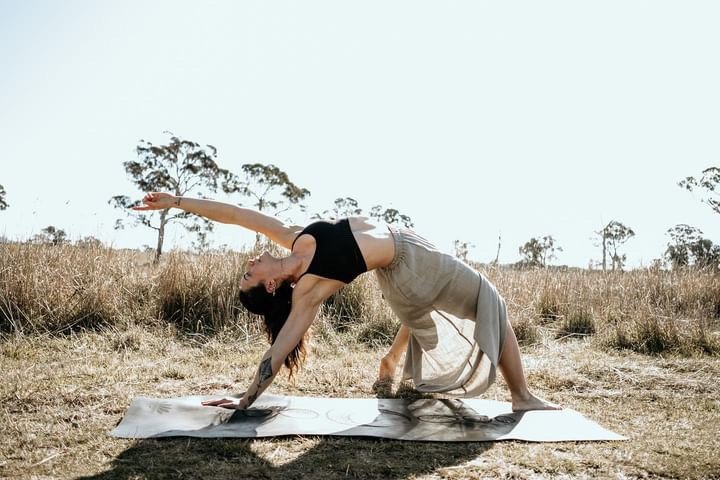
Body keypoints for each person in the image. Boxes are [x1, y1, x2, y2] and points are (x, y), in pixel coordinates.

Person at [133, 192, 558, 412]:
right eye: (249, 274)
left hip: (407, 255)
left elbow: (238, 214)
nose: (248, 261)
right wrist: (245, 400)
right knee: (490, 298)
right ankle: (521, 396)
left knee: (448, 312)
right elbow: (279, 351)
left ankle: (391, 364)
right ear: (268, 288)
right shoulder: (309, 290)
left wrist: (176, 202)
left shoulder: (295, 239)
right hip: (409, 266)